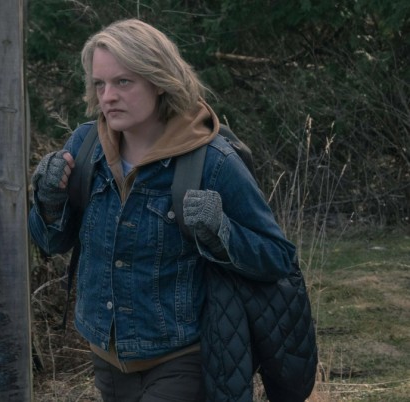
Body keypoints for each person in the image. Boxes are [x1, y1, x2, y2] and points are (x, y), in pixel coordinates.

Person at [28, 19, 298, 401]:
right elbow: (51, 242)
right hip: (105, 359)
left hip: (181, 359)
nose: (108, 97)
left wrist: (221, 232)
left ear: (158, 81)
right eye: (100, 84)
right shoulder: (85, 147)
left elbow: (278, 257)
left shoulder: (212, 160)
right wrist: (48, 202)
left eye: (123, 82)